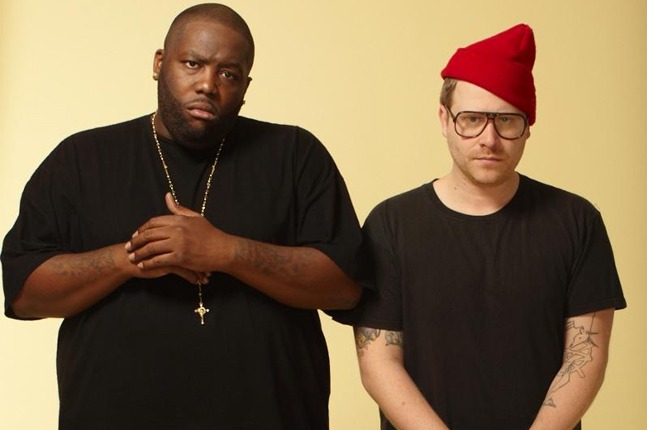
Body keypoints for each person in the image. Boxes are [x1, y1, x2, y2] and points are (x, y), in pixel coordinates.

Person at [1, 3, 364, 429]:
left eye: (229, 74)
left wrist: (226, 251)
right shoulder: (81, 159)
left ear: (246, 86)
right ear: (160, 63)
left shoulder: (296, 156)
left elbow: (345, 288)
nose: (208, 84)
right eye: (193, 64)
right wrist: (132, 257)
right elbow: (24, 291)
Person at [336, 24, 627, 430]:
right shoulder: (390, 224)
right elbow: (379, 363)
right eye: (471, 119)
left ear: (528, 125)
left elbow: (584, 357)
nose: (489, 139)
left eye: (506, 120)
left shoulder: (577, 221)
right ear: (444, 118)